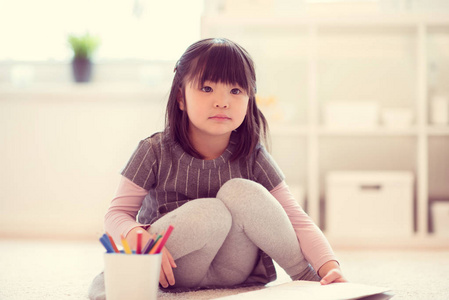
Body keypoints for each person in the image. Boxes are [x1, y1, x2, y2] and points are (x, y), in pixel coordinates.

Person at [89, 38, 345, 299]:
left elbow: (295, 218)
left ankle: (308, 278)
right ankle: (126, 280)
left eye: (235, 91)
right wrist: (136, 236)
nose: (222, 102)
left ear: (249, 98)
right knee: (212, 212)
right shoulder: (154, 150)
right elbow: (116, 214)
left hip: (235, 270)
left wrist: (329, 267)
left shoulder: (252, 153)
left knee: (240, 191)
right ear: (180, 97)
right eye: (207, 88)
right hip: (173, 267)